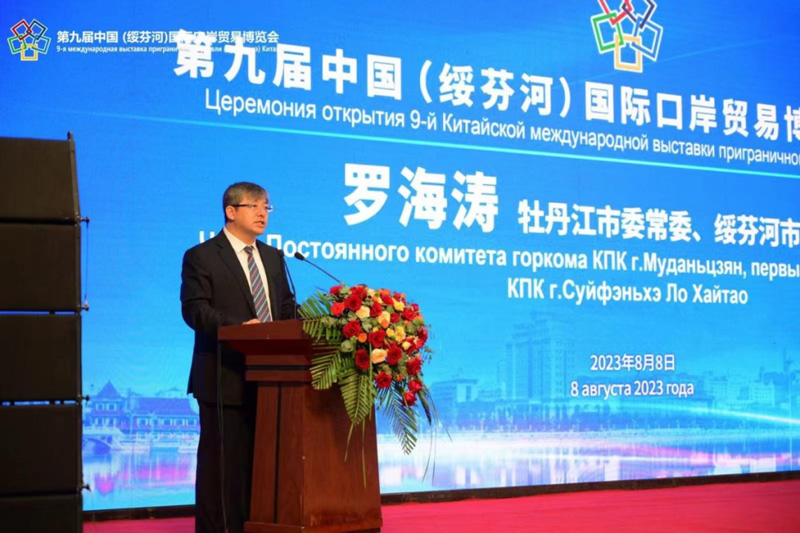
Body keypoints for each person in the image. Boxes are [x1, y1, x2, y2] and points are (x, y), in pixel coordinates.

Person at [180, 182, 297, 533]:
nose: (263, 213)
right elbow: (195, 310)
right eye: (254, 206)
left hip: (273, 380)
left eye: (267, 207)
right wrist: (238, 328)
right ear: (231, 211)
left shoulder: (273, 257)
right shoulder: (202, 256)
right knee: (221, 467)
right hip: (224, 376)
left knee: (263, 466)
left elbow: (287, 309)